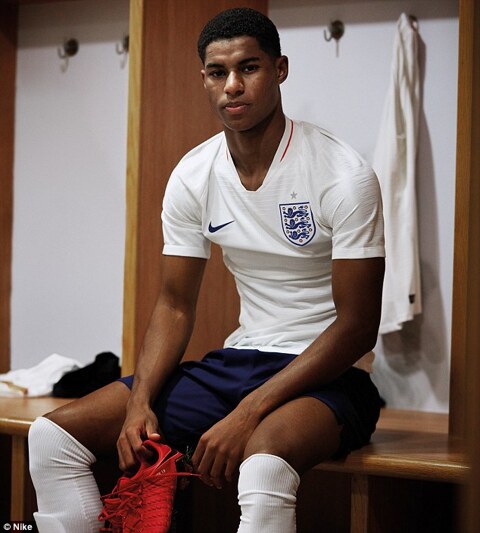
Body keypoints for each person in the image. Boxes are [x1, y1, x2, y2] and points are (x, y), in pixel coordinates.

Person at [28, 7, 385, 533]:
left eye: (249, 68)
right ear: (204, 79)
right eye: (218, 72)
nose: (232, 85)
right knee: (51, 438)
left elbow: (357, 326)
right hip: (239, 362)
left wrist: (247, 413)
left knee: (262, 467)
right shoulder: (194, 174)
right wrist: (139, 403)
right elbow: (175, 304)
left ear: (280, 70)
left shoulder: (343, 175)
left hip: (330, 374)